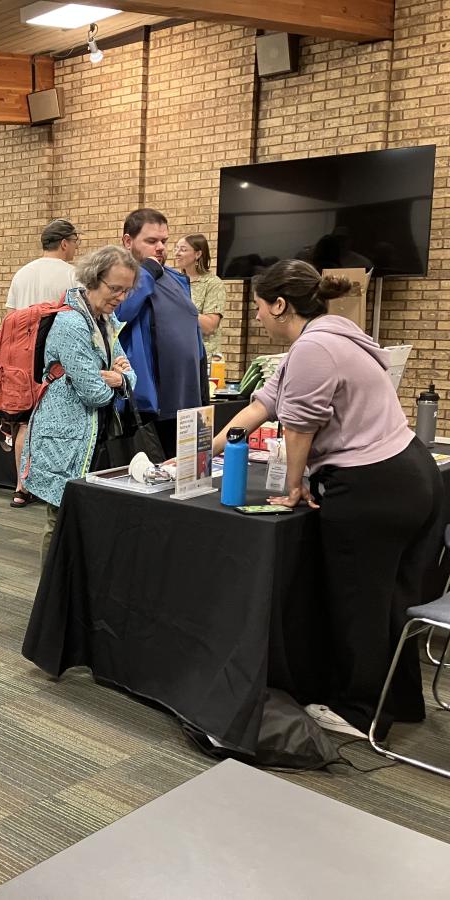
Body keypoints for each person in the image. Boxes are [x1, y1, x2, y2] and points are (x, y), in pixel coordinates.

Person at [213, 260, 443, 741]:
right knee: (388, 599)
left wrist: (293, 486)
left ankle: (359, 713)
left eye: (259, 308)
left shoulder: (315, 347)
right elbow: (261, 407)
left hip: (372, 485)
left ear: (280, 304)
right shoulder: (331, 334)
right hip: (408, 474)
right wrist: (193, 455)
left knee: (358, 600)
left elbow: (299, 427)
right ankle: (397, 703)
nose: (257, 318)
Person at [22, 246, 137, 561]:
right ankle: (52, 600)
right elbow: (94, 393)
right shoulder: (72, 324)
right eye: (115, 288)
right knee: (59, 520)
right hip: (64, 439)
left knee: (82, 520)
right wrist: (114, 380)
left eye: (127, 290)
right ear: (93, 279)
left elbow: (131, 376)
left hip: (89, 438)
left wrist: (117, 379)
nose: (121, 298)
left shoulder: (107, 321)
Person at [5, 219, 81, 508]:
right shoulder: (74, 275)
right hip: (57, 361)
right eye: (75, 241)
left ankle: (21, 487)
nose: (76, 247)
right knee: (57, 423)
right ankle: (53, 487)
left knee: (23, 421)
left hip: (21, 359)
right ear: (64, 243)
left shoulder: (22, 274)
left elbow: (9, 320)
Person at [117, 209, 205, 456]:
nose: (160, 248)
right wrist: (146, 273)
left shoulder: (176, 279)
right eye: (151, 241)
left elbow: (190, 327)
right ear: (128, 241)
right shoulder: (121, 276)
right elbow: (120, 314)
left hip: (185, 392)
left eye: (164, 241)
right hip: (149, 399)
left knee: (185, 470)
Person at [173, 233, 225, 361]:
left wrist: (181, 307)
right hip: (178, 354)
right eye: (176, 248)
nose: (177, 253)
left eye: (183, 249)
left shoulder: (213, 283)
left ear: (198, 254)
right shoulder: (174, 281)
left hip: (204, 357)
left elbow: (209, 326)